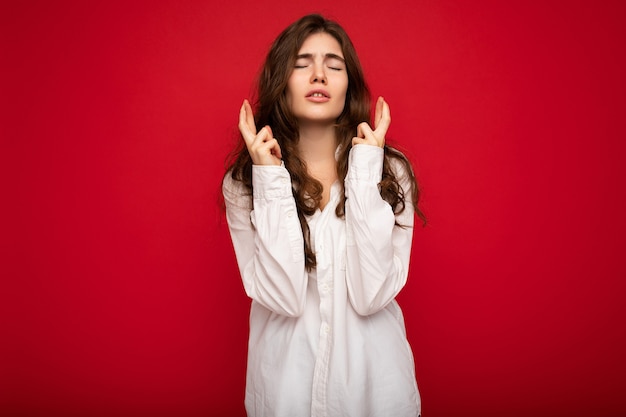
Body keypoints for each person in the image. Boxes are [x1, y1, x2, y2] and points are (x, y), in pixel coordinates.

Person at [222, 13, 424, 417]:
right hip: (284, 395)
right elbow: (283, 297)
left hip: (376, 393)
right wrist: (270, 178)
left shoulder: (389, 170)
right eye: (302, 64)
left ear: (348, 85)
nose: (319, 75)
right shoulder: (244, 181)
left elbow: (371, 296)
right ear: (282, 80)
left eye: (334, 65)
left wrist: (366, 167)